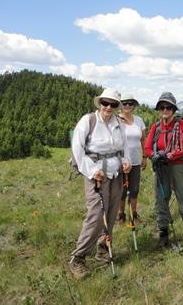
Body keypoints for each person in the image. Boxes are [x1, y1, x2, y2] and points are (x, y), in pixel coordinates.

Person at [69, 88, 131, 279]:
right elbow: (77, 149)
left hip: (115, 174)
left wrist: (126, 161)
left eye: (113, 104)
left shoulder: (118, 124)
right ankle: (78, 258)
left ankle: (103, 249)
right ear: (100, 103)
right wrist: (92, 170)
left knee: (111, 213)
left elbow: (124, 147)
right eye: (105, 103)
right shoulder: (88, 121)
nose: (108, 107)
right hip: (96, 174)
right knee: (96, 215)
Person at [144, 92, 183, 247]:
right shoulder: (156, 127)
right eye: (162, 107)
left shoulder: (182, 125)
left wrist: (166, 156)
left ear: (173, 109)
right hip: (161, 167)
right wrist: (154, 155)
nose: (165, 110)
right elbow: (146, 147)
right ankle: (163, 232)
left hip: (178, 165)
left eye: (168, 107)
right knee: (161, 199)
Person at [117, 94, 147, 224]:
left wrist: (144, 156)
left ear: (134, 106)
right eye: (124, 103)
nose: (127, 106)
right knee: (122, 191)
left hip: (135, 161)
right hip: (120, 162)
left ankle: (133, 215)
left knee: (134, 190)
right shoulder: (116, 120)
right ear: (120, 105)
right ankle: (121, 215)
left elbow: (143, 139)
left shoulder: (139, 120)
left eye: (130, 103)